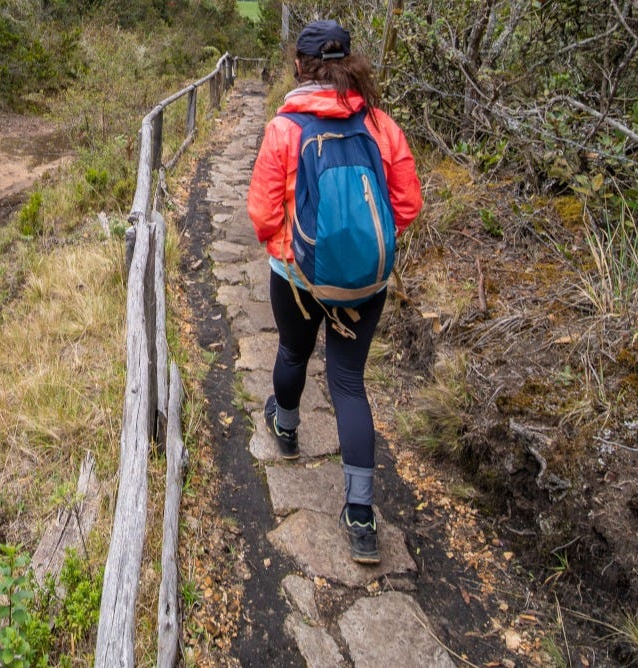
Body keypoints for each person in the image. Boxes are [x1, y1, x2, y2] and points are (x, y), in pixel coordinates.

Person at [244, 19, 422, 564]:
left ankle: (288, 427)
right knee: (348, 382)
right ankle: (362, 516)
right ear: (349, 63)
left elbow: (262, 214)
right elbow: (407, 206)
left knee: (293, 351)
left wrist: (292, 254)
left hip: (299, 280)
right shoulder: (381, 125)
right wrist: (361, 252)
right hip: (366, 285)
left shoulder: (284, 128)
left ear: (300, 64)